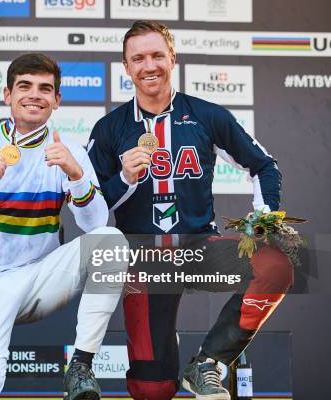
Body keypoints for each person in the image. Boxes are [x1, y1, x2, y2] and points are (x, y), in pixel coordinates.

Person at [87, 20, 293, 400]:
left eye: (156, 55)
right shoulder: (109, 128)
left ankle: (209, 363)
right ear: (126, 67)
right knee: (152, 389)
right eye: (138, 58)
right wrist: (126, 179)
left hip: (199, 247)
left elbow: (264, 165)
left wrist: (265, 218)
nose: (149, 65)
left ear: (172, 58)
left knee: (274, 264)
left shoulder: (207, 114)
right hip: (142, 258)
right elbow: (91, 212)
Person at [0, 53, 128, 400]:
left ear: (57, 100)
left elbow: (96, 224)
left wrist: (76, 176)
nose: (35, 95)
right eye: (25, 86)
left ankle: (81, 366)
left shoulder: (68, 152)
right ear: (7, 95)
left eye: (45, 89)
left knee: (110, 241)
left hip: (36, 281)